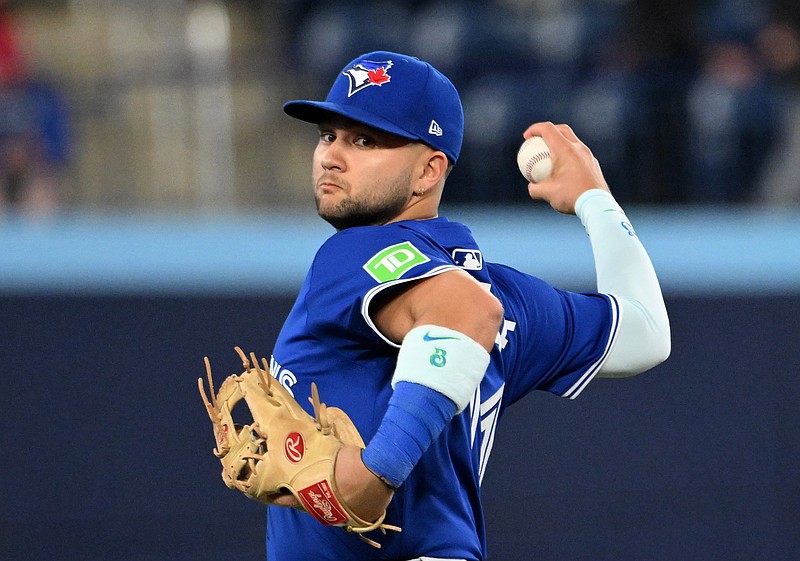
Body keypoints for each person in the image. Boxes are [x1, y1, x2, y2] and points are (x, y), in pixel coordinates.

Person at [266, 50, 670, 561]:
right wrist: (596, 200)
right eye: (329, 135)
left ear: (428, 171)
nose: (331, 156)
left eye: (365, 140)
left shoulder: (353, 254)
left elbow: (467, 310)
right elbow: (645, 332)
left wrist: (379, 471)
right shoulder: (509, 296)